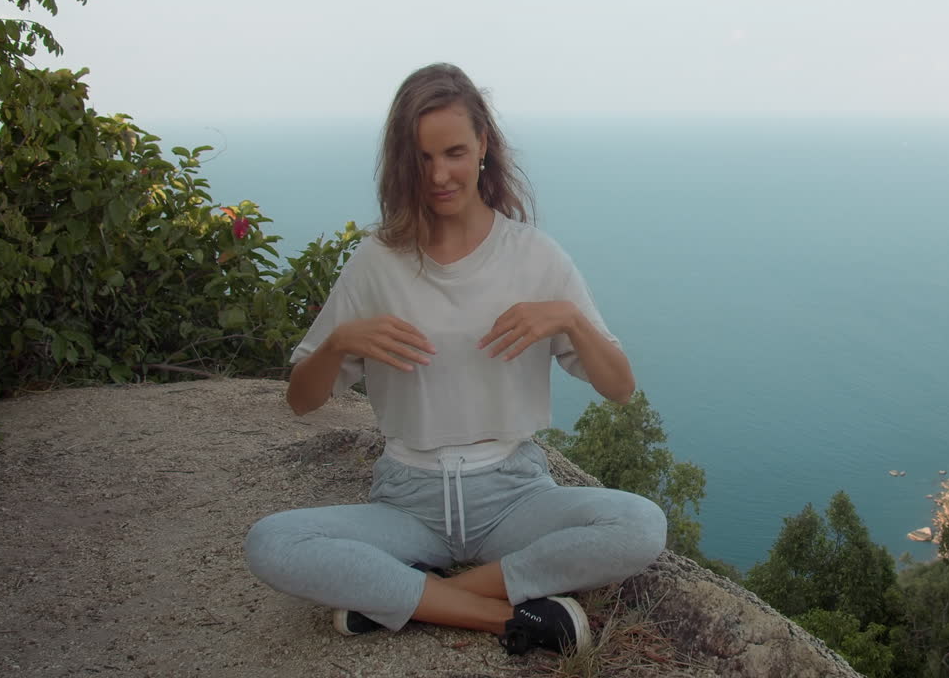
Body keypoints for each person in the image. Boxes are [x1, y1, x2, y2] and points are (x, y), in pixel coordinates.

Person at [244, 63, 667, 657]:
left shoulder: (535, 257)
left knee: (641, 525)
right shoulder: (377, 261)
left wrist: (567, 319)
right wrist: (339, 342)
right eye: (421, 158)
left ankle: (404, 601)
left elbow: (620, 387)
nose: (439, 174)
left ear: (484, 147)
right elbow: (301, 400)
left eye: (454, 152)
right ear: (401, 161)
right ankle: (503, 616)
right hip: (406, 500)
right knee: (272, 542)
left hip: (514, 497)